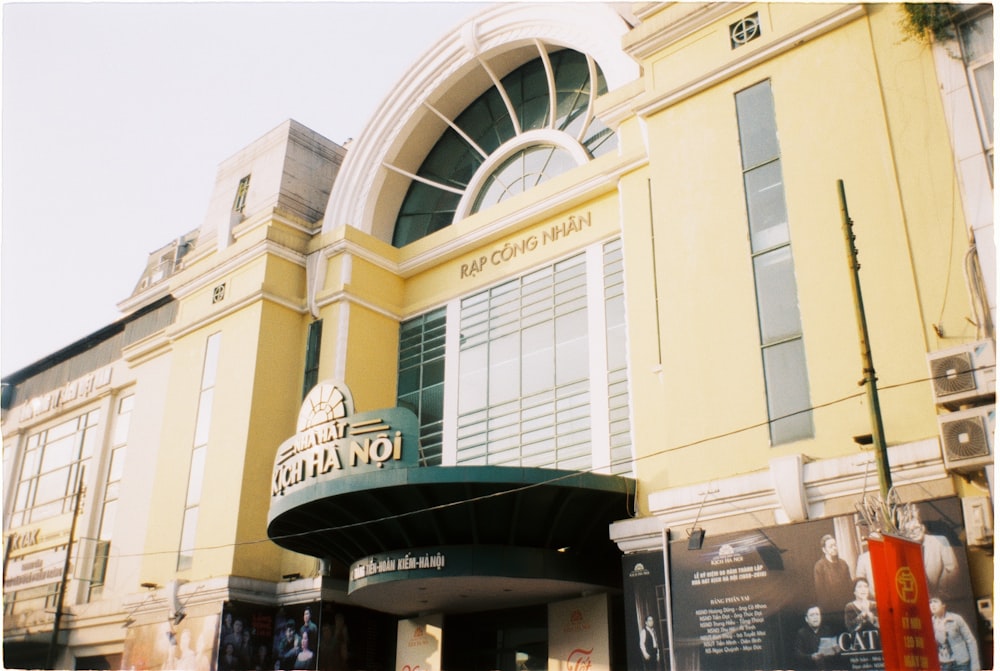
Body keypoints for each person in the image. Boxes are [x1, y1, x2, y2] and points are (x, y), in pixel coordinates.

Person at [904, 510, 960, 600]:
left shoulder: (939, 541)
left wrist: (941, 593)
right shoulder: (906, 548)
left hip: (942, 597)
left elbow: (953, 569)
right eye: (909, 531)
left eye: (916, 528)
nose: (913, 532)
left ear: (923, 528)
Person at [930, 596, 981, 671]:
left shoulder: (956, 619)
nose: (932, 605)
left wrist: (975, 665)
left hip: (961, 664)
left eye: (935, 601)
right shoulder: (930, 622)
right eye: (930, 602)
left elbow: (970, 641)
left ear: (943, 605)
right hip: (943, 664)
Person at [813, 534, 854, 626]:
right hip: (831, 610)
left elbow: (849, 586)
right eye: (831, 546)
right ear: (824, 550)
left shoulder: (843, 564)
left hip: (845, 607)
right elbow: (820, 592)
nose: (834, 548)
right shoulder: (819, 566)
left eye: (835, 545)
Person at [793, 606, 840, 670]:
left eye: (817, 614)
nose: (815, 617)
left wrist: (837, 651)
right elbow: (797, 654)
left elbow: (834, 656)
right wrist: (811, 657)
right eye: (812, 615)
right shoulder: (801, 633)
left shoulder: (827, 630)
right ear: (806, 619)